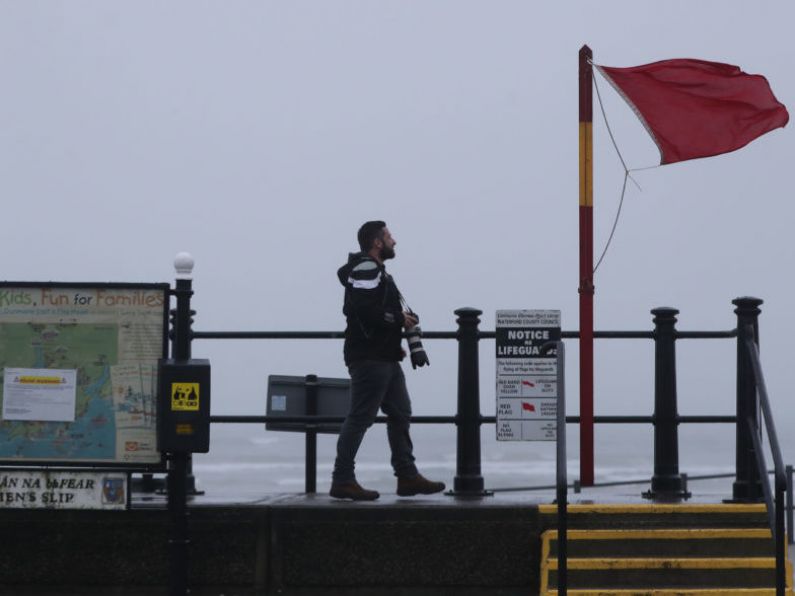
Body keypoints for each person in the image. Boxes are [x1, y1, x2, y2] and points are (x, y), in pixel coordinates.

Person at [330, 221, 446, 501]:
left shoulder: (375, 271)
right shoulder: (367, 269)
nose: (395, 241)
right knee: (360, 417)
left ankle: (407, 476)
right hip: (370, 357)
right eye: (390, 236)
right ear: (377, 242)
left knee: (400, 412)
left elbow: (372, 308)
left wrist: (400, 320)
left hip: (385, 356)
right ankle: (343, 479)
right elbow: (362, 308)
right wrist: (398, 318)